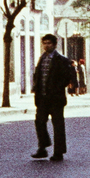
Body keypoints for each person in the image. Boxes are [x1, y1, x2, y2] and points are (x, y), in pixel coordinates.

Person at [30, 33, 73, 161]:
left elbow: (67, 77)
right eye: (44, 43)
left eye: (49, 43)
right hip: (42, 97)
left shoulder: (62, 60)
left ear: (54, 45)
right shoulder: (41, 58)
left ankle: (58, 152)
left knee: (58, 125)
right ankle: (42, 147)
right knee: (39, 122)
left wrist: (57, 88)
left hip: (56, 99)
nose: (46, 45)